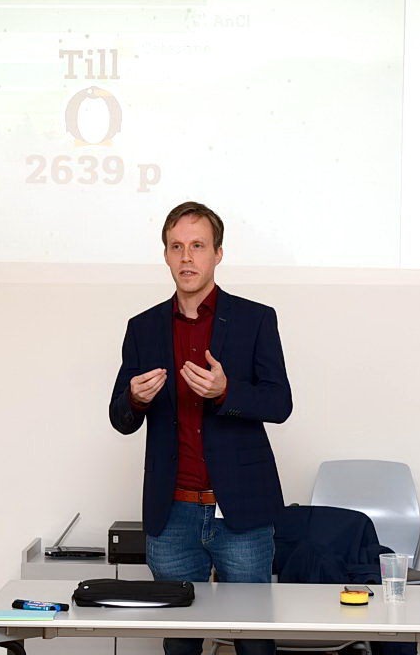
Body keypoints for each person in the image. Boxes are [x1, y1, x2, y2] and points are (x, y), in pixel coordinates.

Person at [109, 201, 293, 655]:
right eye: (177, 247)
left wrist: (227, 391)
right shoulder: (143, 328)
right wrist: (136, 398)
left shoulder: (255, 319)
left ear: (218, 254)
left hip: (241, 514)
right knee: (180, 644)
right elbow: (120, 417)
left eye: (198, 246)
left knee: (255, 643)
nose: (187, 257)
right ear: (165, 256)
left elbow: (280, 404)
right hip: (172, 514)